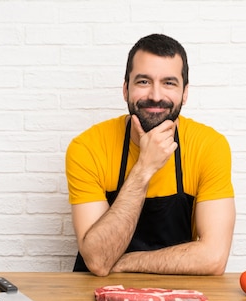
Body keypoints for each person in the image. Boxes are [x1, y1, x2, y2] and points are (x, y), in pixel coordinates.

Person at [65, 34, 235, 277]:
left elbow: (213, 259)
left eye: (169, 83)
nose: (156, 95)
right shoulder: (87, 148)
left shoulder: (209, 146)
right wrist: (144, 167)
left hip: (176, 296)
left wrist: (123, 262)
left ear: (185, 93)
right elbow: (98, 260)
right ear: (125, 89)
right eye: (144, 82)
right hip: (96, 297)